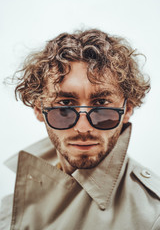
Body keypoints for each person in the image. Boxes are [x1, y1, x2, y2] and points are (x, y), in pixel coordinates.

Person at [1, 29, 160, 230]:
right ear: (39, 110)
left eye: (102, 104)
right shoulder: (8, 207)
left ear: (127, 109)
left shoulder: (153, 215)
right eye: (65, 104)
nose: (82, 128)